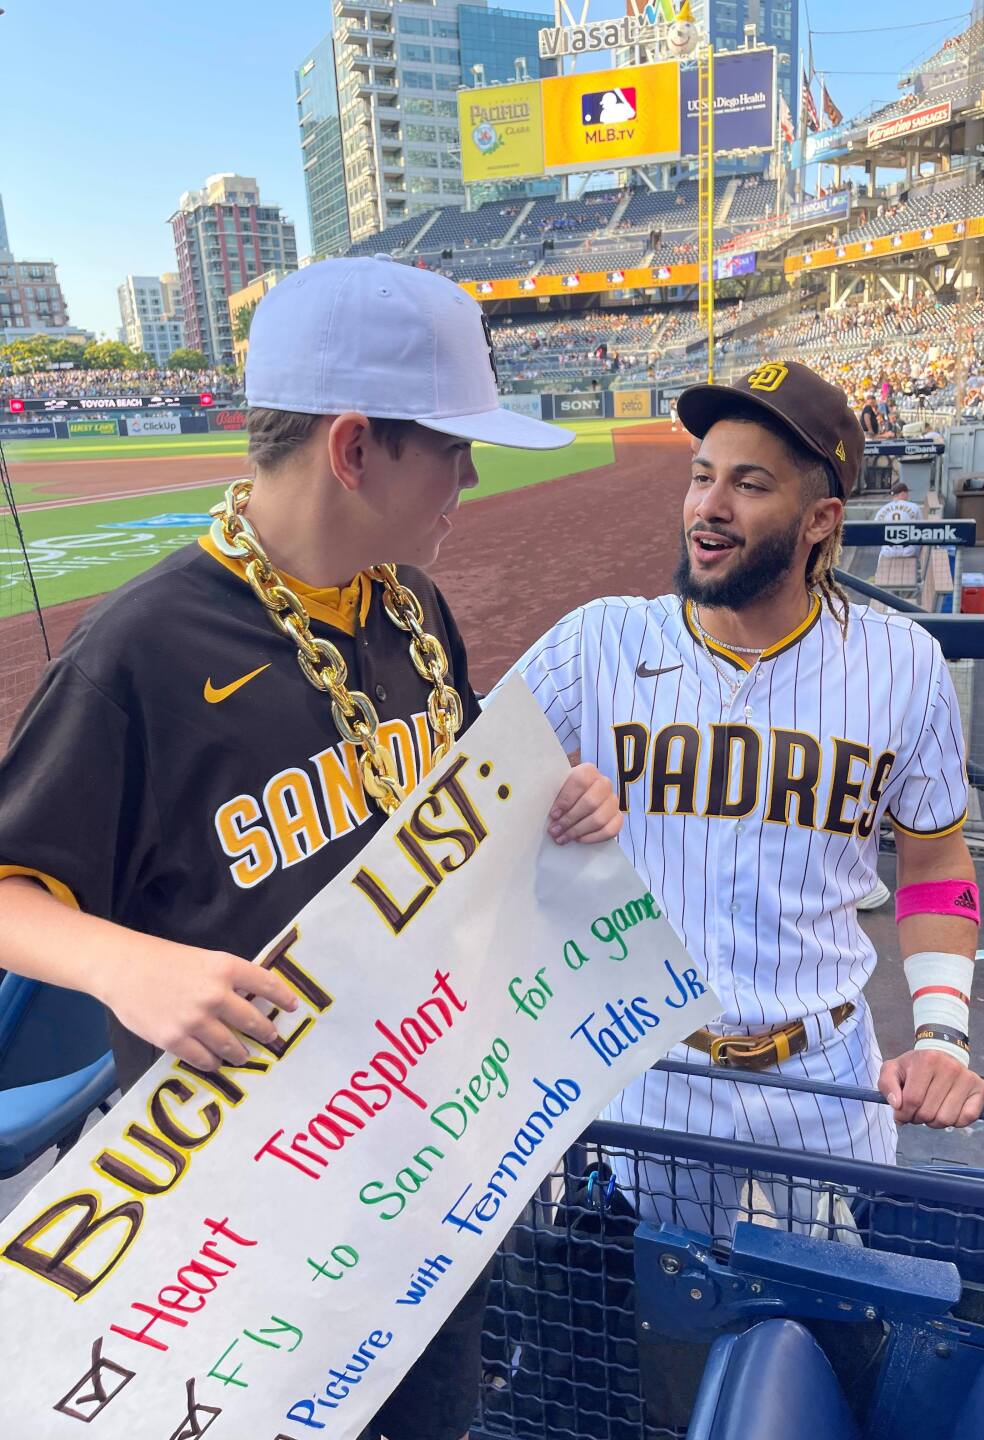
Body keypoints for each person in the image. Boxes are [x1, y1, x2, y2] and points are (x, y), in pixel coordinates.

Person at [0, 257, 623, 1440]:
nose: (469, 479)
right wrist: (124, 965)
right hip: (248, 1220)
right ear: (353, 448)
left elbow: (451, 798)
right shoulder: (138, 652)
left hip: (424, 1160)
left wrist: (553, 796)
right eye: (451, 447)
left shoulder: (410, 611)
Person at [498, 359, 984, 1236]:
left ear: (820, 520)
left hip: (828, 1073)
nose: (707, 506)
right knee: (653, 1331)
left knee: (834, 1312)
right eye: (701, 476)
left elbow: (935, 864)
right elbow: (466, 812)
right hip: (649, 1069)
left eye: (747, 484)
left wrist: (944, 1035)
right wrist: (549, 809)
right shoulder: (597, 643)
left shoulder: (902, 663)